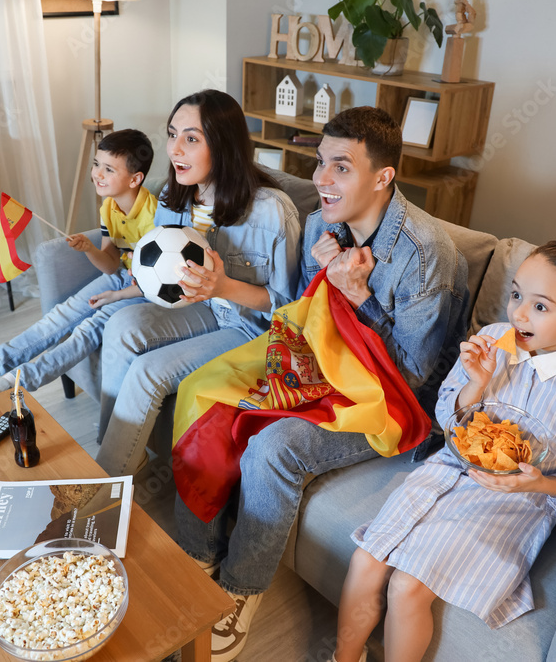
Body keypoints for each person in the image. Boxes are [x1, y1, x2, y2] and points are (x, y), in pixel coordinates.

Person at [174, 106, 470, 662]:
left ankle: (240, 592)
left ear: (383, 177)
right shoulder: (320, 225)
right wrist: (319, 283)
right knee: (206, 395)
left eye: (340, 167)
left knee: (272, 448)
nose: (321, 180)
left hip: (393, 403)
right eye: (319, 164)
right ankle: (198, 555)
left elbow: (414, 372)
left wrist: (359, 296)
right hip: (324, 368)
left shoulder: (427, 254)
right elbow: (300, 317)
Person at [332, 241, 556, 662]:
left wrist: (542, 482)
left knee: (406, 585)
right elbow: (446, 417)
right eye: (516, 295)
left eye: (541, 307)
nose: (519, 313)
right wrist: (475, 382)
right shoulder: (492, 340)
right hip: (447, 471)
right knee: (365, 559)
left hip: (513, 504)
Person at [91, 90, 302, 476]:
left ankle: (103, 489)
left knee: (148, 371)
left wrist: (223, 287)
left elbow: (290, 309)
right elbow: (159, 268)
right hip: (199, 309)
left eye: (191, 138)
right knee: (119, 324)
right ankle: (110, 460)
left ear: (222, 146)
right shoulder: (173, 197)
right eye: (172, 134)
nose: (174, 150)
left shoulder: (272, 210)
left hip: (249, 328)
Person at [0, 129, 156, 398]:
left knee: (89, 328)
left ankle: (12, 382)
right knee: (59, 316)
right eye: (97, 164)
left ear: (135, 178)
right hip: (122, 276)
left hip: (144, 291)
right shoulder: (108, 207)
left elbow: (159, 283)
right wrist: (89, 249)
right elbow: (111, 265)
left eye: (109, 169)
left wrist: (119, 294)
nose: (98, 174)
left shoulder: (155, 216)